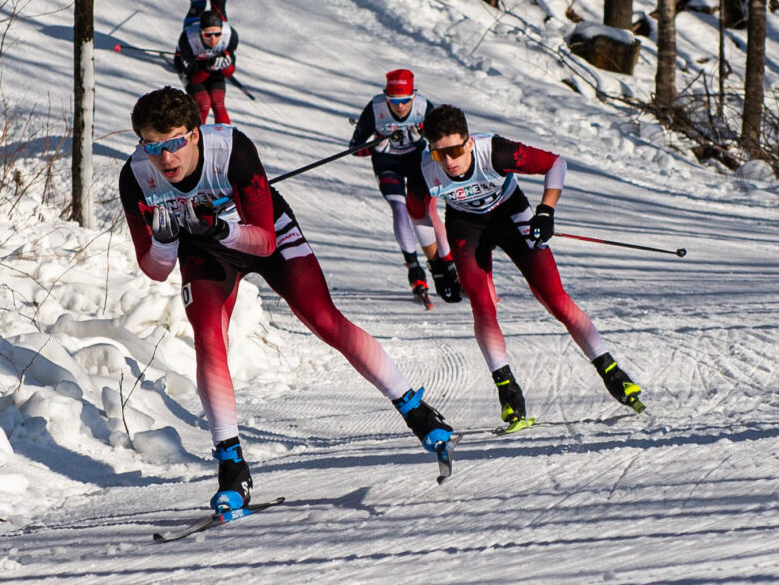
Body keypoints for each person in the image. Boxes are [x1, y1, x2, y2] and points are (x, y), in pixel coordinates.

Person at [119, 87, 454, 511]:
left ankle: (419, 413)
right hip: (204, 250)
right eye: (153, 146)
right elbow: (156, 269)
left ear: (196, 135)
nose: (166, 159)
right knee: (208, 340)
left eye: (175, 143)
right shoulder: (136, 175)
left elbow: (263, 242)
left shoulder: (230, 149)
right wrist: (166, 241)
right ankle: (231, 469)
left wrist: (220, 229)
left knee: (323, 318)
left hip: (262, 234)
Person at [410, 103, 645, 432]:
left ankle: (611, 370)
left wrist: (546, 211)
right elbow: (418, 216)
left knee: (555, 298)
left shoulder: (494, 151)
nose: (448, 162)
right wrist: (437, 265)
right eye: (439, 154)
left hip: (511, 215)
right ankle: (508, 392)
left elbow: (555, 164)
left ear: (468, 142)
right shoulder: (424, 170)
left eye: (453, 151)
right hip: (466, 227)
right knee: (482, 304)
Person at [349, 69, 460, 306]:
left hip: (418, 162)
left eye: (405, 101)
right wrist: (375, 146)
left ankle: (447, 262)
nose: (400, 107)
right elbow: (355, 147)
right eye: (394, 102)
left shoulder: (423, 106)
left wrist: (425, 136)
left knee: (426, 209)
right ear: (386, 98)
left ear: (413, 96)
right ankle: (414, 268)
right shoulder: (376, 108)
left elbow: (443, 140)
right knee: (399, 208)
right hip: (387, 163)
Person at [173, 10, 239, 125]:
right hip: (193, 69)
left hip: (211, 68)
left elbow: (229, 72)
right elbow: (193, 78)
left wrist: (225, 66)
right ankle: (195, 136)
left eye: (217, 34)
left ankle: (226, 138)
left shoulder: (230, 35)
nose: (213, 39)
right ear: (200, 31)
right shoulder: (188, 39)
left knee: (218, 102)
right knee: (203, 103)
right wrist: (207, 68)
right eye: (207, 35)